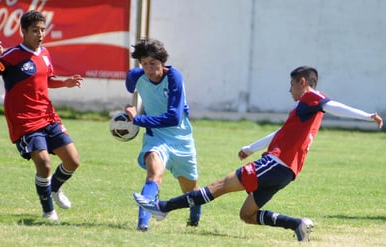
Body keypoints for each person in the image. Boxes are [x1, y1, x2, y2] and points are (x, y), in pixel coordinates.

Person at [134, 66, 383, 241]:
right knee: (247, 215)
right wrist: (251, 148)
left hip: (275, 164)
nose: (290, 89)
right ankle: (297, 224)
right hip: (286, 172)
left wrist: (366, 116)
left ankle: (163, 207)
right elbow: (281, 132)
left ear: (303, 82)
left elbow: (332, 105)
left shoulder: (313, 98)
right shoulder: (303, 109)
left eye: (292, 84)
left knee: (219, 185)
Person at [0, 10, 83, 221]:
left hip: (48, 116)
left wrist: (64, 83)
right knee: (44, 164)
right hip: (25, 121)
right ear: (24, 32)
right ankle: (48, 211)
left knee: (73, 161)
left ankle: (54, 189)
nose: (40, 34)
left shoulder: (45, 54)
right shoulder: (11, 56)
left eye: (42, 29)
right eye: (35, 30)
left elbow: (48, 80)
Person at [124, 38, 202, 231]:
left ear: (162, 62)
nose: (149, 69)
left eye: (153, 64)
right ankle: (143, 224)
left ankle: (194, 220)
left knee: (190, 191)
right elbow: (130, 83)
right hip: (156, 138)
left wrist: (138, 119)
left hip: (181, 139)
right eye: (144, 64)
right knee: (154, 175)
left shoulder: (174, 77)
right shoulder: (136, 76)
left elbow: (173, 118)